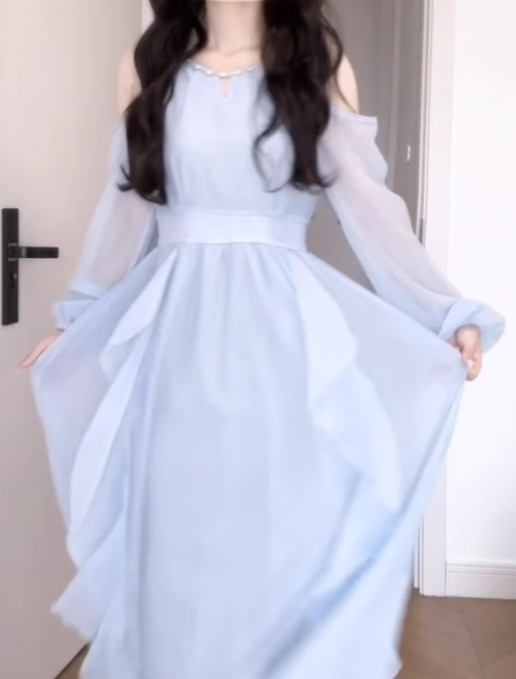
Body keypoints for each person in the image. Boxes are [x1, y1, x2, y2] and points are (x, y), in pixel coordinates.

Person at [23, 1, 504, 678]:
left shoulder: (319, 64)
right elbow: (124, 211)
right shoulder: (146, 66)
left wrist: (446, 311)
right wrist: (78, 320)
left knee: (275, 551)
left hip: (284, 349)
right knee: (177, 552)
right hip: (174, 353)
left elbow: (371, 210)